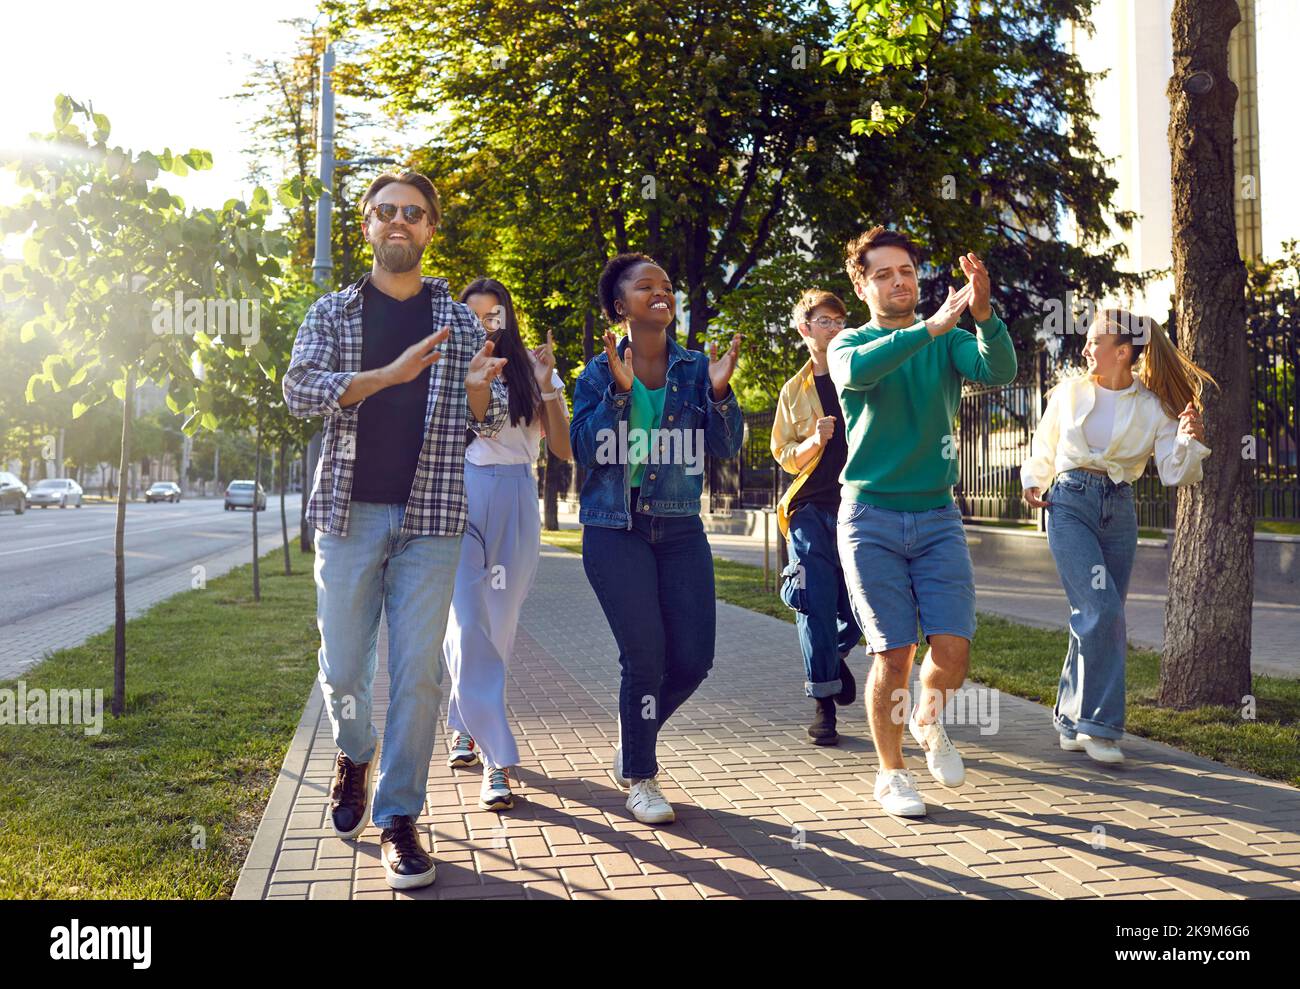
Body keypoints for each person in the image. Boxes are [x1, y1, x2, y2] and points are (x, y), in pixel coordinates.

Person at [283, 170, 508, 890]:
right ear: (367, 225)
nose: (400, 222)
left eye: (414, 213)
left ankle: (400, 814)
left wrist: (478, 393)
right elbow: (298, 388)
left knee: (419, 674)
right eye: (387, 212)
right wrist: (384, 376)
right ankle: (355, 752)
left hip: (433, 518)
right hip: (349, 515)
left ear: (432, 228)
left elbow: (494, 413)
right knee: (344, 666)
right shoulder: (333, 311)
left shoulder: (461, 317)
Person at [829, 226, 1018, 817]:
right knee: (894, 652)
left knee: (954, 651)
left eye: (906, 270)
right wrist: (925, 329)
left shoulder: (945, 339)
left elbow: (1000, 370)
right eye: (884, 273)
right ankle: (891, 774)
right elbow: (857, 374)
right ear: (862, 285)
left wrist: (983, 315)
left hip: (937, 514)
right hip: (870, 516)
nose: (899, 281)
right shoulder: (848, 342)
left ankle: (928, 720)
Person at [569, 252, 744, 826]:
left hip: (678, 526)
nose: (662, 293)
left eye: (667, 285)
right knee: (644, 657)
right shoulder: (595, 374)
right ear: (620, 307)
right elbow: (587, 452)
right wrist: (619, 396)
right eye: (646, 287)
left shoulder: (696, 369)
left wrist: (719, 396)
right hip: (614, 528)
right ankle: (641, 775)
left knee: (693, 660)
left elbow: (724, 448)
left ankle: (632, 737)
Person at [1022, 308, 1213, 765]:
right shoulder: (1068, 393)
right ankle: (1100, 727)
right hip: (1069, 504)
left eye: (1094, 341)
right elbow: (1045, 442)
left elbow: (1173, 472)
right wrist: (1034, 478)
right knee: (1101, 609)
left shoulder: (1152, 405)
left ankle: (1070, 721)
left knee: (1093, 615)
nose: (1085, 348)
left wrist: (1188, 440)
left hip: (1118, 509)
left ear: (1122, 351)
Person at [442, 277, 572, 812]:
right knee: (467, 620)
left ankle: (462, 722)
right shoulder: (450, 368)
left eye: (494, 314)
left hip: (518, 497)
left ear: (508, 317)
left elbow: (562, 449)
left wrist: (546, 386)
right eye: (473, 315)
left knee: (498, 625)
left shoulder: (532, 367)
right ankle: (497, 760)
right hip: (462, 496)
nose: (485, 323)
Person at [771, 289, 863, 745]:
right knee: (813, 599)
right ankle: (823, 705)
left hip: (861, 504)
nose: (835, 328)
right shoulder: (794, 391)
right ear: (805, 329)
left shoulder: (862, 373)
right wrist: (814, 442)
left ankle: (833, 657)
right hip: (808, 507)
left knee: (867, 605)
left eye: (840, 320)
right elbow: (783, 453)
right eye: (825, 321)